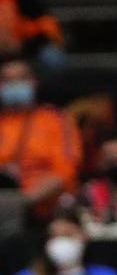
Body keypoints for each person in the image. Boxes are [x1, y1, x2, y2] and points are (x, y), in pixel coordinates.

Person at [0, 56, 82, 222]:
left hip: (48, 211)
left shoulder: (55, 120)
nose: (14, 84)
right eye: (7, 80)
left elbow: (65, 170)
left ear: (33, 82)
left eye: (21, 78)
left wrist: (25, 200)